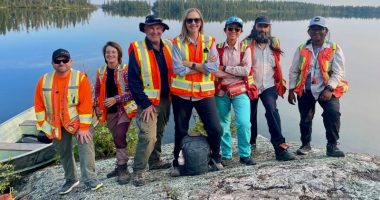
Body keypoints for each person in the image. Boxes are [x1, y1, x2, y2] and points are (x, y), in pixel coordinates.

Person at [34, 49, 103, 195]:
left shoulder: (80, 78)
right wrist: (46, 128)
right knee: (64, 152)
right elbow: (39, 107)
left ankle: (90, 178)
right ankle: (71, 180)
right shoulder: (43, 80)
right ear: (52, 63)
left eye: (65, 60)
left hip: (77, 122)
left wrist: (84, 127)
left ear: (71, 62)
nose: (61, 63)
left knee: (86, 147)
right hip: (56, 125)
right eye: (58, 61)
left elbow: (86, 104)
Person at [170, 8, 223, 177]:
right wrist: (202, 67)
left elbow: (213, 68)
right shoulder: (177, 42)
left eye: (197, 20)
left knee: (215, 129)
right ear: (185, 23)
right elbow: (178, 69)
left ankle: (215, 158)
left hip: (204, 94)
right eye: (189, 20)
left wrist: (190, 64)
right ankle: (178, 164)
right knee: (180, 131)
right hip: (182, 95)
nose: (193, 23)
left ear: (201, 22)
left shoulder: (209, 41)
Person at [288, 16, 348, 157]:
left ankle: (332, 146)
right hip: (306, 89)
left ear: (326, 31)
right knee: (305, 118)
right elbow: (294, 70)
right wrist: (291, 90)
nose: (316, 32)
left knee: (332, 113)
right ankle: (305, 145)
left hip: (327, 89)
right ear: (309, 32)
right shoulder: (302, 48)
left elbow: (339, 72)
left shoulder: (334, 48)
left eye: (320, 29)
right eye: (313, 29)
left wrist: (329, 89)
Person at [128, 15, 172, 186]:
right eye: (151, 28)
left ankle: (155, 161)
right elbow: (133, 81)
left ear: (162, 30)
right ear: (145, 30)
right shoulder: (137, 49)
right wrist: (144, 104)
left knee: (160, 132)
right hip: (148, 103)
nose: (155, 31)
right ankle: (138, 171)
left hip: (166, 100)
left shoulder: (169, 45)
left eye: (158, 27)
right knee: (148, 136)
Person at [243, 16, 295, 161]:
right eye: (260, 26)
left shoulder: (274, 42)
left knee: (272, 111)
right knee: (250, 115)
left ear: (269, 28)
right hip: (251, 85)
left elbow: (276, 63)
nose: (263, 29)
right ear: (254, 27)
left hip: (269, 85)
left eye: (266, 26)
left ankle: (280, 149)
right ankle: (251, 142)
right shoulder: (246, 43)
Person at [94, 41, 137, 184]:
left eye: (113, 52)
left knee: (120, 134)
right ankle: (119, 165)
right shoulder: (101, 71)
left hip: (125, 109)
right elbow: (98, 91)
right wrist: (97, 106)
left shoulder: (125, 69)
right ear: (104, 55)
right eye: (107, 52)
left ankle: (123, 167)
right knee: (116, 138)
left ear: (118, 54)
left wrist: (115, 99)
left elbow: (132, 92)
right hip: (109, 111)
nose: (110, 55)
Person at [215, 16, 256, 166]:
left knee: (244, 123)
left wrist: (224, 68)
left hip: (240, 91)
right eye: (230, 28)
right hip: (221, 91)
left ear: (241, 32)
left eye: (237, 29)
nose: (233, 31)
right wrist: (234, 72)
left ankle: (245, 154)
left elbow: (245, 71)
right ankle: (226, 155)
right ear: (225, 30)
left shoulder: (246, 48)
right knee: (223, 124)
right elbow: (214, 71)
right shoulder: (217, 47)